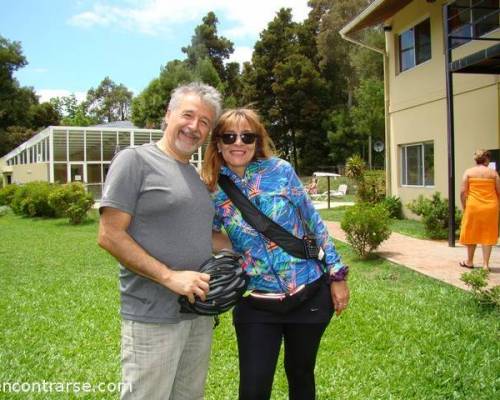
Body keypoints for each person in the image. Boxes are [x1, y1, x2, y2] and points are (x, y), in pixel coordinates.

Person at [201, 108, 350, 400]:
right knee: (253, 389)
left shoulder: (280, 171)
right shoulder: (213, 188)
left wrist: (337, 274)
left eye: (247, 136)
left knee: (301, 375)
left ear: (257, 141)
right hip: (257, 303)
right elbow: (211, 232)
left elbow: (313, 221)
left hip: (309, 292)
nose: (238, 143)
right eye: (229, 136)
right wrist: (237, 250)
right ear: (218, 143)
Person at [98, 82, 230, 400]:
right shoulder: (135, 160)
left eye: (204, 122)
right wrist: (169, 277)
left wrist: (256, 246)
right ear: (168, 115)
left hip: (198, 314)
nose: (194, 127)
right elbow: (109, 234)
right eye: (188, 115)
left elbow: (204, 236)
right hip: (153, 315)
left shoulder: (197, 180)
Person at [459, 149, 500, 271]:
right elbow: (499, 191)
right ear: (487, 159)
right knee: (488, 233)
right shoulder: (493, 174)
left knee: (471, 232)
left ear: (476, 159)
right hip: (490, 207)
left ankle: (470, 262)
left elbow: (462, 192)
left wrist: (464, 206)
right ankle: (485, 265)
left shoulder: (469, 172)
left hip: (473, 206)